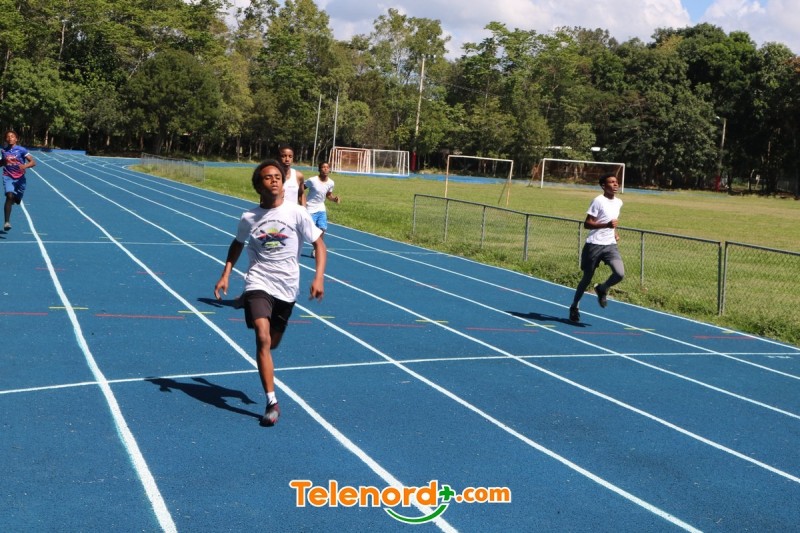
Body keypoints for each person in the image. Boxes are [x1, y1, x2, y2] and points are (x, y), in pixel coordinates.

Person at [214, 159, 326, 427]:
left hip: (287, 287)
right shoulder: (249, 217)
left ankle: (249, 305)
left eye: (277, 176)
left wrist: (318, 277)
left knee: (273, 343)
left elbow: (319, 245)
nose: (274, 179)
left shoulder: (297, 213)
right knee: (262, 338)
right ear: (259, 185)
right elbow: (237, 243)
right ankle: (272, 402)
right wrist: (226, 273)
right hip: (258, 280)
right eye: (268, 177)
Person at [568, 173, 625, 322]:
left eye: (616, 182)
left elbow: (612, 221)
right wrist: (606, 225)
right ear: (603, 186)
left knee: (619, 273)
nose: (615, 184)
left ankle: (602, 288)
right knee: (587, 278)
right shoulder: (598, 201)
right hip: (594, 244)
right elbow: (587, 223)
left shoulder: (619, 202)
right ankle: (574, 306)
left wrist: (614, 232)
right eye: (611, 182)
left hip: (610, 245)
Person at [304, 161, 340, 257]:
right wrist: (301, 201)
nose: (325, 169)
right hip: (310, 208)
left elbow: (328, 195)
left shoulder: (331, 183)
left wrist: (334, 199)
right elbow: (300, 189)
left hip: (321, 208)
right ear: (319, 169)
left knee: (322, 228)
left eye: (327, 167)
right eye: (323, 167)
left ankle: (316, 249)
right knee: (309, 231)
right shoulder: (312, 180)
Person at [2, 130, 36, 231]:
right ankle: (7, 222)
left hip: (20, 178)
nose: (10, 138)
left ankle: (16, 198)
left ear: (16, 139)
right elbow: (3, 162)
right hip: (8, 176)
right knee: (9, 196)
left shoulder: (21, 150)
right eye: (8, 136)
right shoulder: (4, 151)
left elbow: (33, 162)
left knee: (17, 200)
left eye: (12, 136)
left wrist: (24, 166)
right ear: (6, 139)